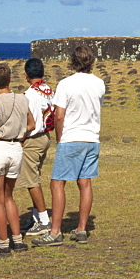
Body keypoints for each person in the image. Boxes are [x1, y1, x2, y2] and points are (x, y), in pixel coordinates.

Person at [32, 44, 105, 247]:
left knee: (57, 183)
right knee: (85, 183)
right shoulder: (99, 83)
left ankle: (55, 232)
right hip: (92, 138)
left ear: (73, 61)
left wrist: (60, 137)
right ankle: (82, 229)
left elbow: (59, 115)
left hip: (72, 137)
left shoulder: (66, 84)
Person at [0, 63, 35, 256]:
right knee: (9, 196)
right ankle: (17, 240)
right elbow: (32, 124)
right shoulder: (22, 99)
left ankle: (3, 244)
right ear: (10, 79)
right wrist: (20, 136)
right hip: (16, 148)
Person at [17, 57, 54, 235]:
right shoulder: (47, 90)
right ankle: (36, 217)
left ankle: (44, 220)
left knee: (31, 180)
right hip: (45, 136)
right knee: (35, 177)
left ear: (26, 75)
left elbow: (30, 122)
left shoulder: (29, 94)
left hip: (33, 138)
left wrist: (20, 138)